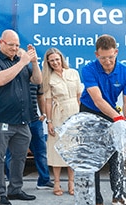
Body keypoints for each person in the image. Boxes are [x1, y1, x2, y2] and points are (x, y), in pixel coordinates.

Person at [79, 34, 126, 205]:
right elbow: (97, 100)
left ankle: (119, 196)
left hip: (112, 113)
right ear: (96, 54)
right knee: (95, 159)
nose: (107, 61)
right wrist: (118, 119)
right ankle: (97, 202)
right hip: (90, 111)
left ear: (116, 52)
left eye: (111, 57)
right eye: (103, 57)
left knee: (117, 155)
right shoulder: (88, 70)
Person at [0, 29, 42, 205]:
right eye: (11, 45)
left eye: (17, 45)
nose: (15, 48)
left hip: (21, 120)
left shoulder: (21, 61)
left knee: (20, 157)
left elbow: (37, 80)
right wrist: (22, 62)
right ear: (1, 43)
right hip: (0, 119)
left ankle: (15, 189)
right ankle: (0, 194)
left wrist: (34, 62)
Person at [42, 47, 82, 196]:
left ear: (61, 59)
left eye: (57, 59)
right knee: (56, 149)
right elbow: (47, 102)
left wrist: (81, 117)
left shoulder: (73, 73)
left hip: (74, 112)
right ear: (48, 62)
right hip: (58, 114)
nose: (55, 62)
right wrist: (49, 121)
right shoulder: (48, 78)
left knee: (72, 150)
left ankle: (72, 183)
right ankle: (57, 184)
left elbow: (79, 96)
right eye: (51, 60)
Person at [4, 83, 54, 190]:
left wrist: (44, 114)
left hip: (34, 120)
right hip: (15, 120)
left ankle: (44, 181)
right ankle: (13, 183)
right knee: (11, 153)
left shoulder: (35, 76)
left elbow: (40, 96)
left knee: (41, 151)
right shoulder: (12, 74)